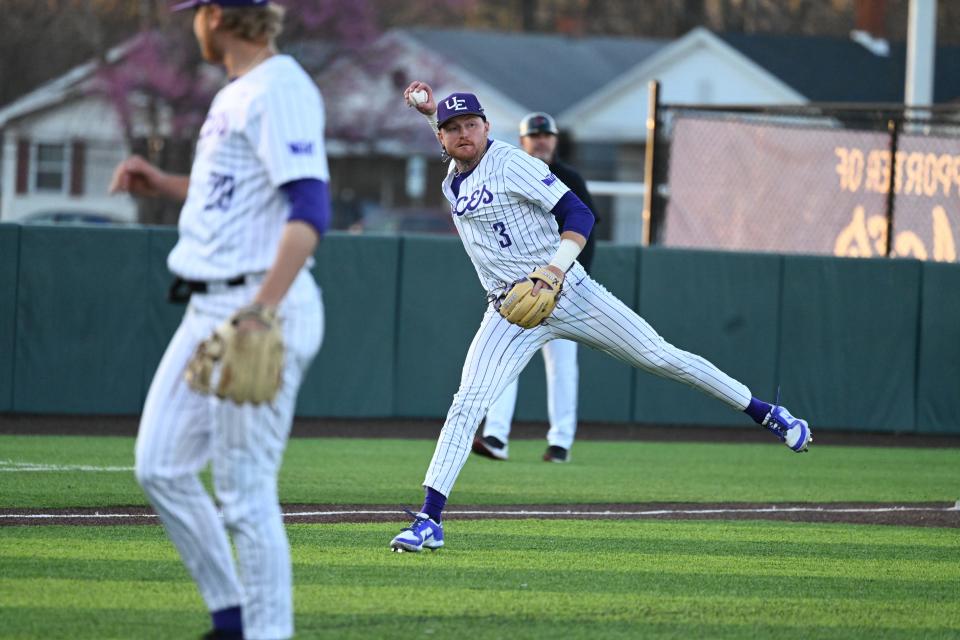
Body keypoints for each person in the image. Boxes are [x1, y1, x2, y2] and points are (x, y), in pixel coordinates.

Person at [389, 81, 812, 553]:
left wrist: (553, 269)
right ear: (442, 138)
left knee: (661, 357)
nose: (463, 133)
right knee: (467, 404)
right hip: (509, 312)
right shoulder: (453, 175)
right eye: (452, 129)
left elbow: (579, 212)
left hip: (567, 291)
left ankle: (766, 413)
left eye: (472, 124)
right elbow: (457, 147)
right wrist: (430, 114)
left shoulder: (513, 162)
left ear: (488, 126)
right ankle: (430, 518)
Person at [109, 1, 330, 637]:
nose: (192, 22)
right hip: (210, 305)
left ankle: (265, 632)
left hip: (259, 306)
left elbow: (308, 211)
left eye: (197, 11)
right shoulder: (239, 91)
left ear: (218, 16)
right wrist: (164, 182)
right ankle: (233, 617)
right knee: (160, 466)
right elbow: (233, 190)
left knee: (245, 493)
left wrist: (262, 309)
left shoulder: (281, 89)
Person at [472, 111, 597, 464]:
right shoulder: (507, 173)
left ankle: (560, 443)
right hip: (518, 289)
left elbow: (588, 229)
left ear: (555, 140)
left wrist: (571, 281)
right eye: (534, 135)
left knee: (562, 368)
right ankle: (496, 437)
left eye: (547, 135)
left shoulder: (569, 178)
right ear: (523, 141)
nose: (541, 140)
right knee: (504, 361)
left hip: (566, 288)